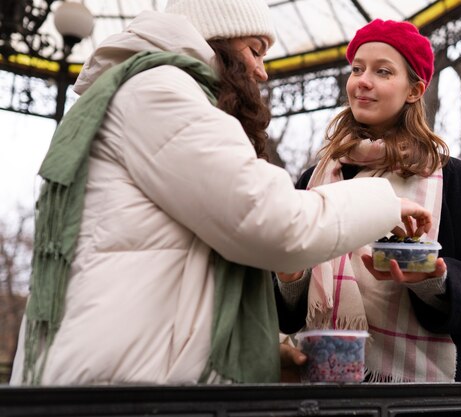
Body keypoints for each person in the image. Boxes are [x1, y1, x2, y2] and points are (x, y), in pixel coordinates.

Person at [9, 3, 435, 386]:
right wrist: (383, 202)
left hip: (128, 372)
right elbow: (275, 223)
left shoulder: (149, 88)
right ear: (218, 41)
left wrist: (259, 352)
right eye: (255, 50)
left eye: (383, 71)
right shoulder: (162, 92)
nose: (262, 71)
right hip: (124, 383)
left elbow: (171, 265)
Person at [275, 19, 461, 388]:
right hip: (326, 390)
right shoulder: (312, 180)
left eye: (382, 71)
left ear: (414, 90)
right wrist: (290, 278)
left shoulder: (455, 182)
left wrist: (434, 278)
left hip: (429, 403)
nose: (362, 80)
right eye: (357, 69)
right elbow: (286, 307)